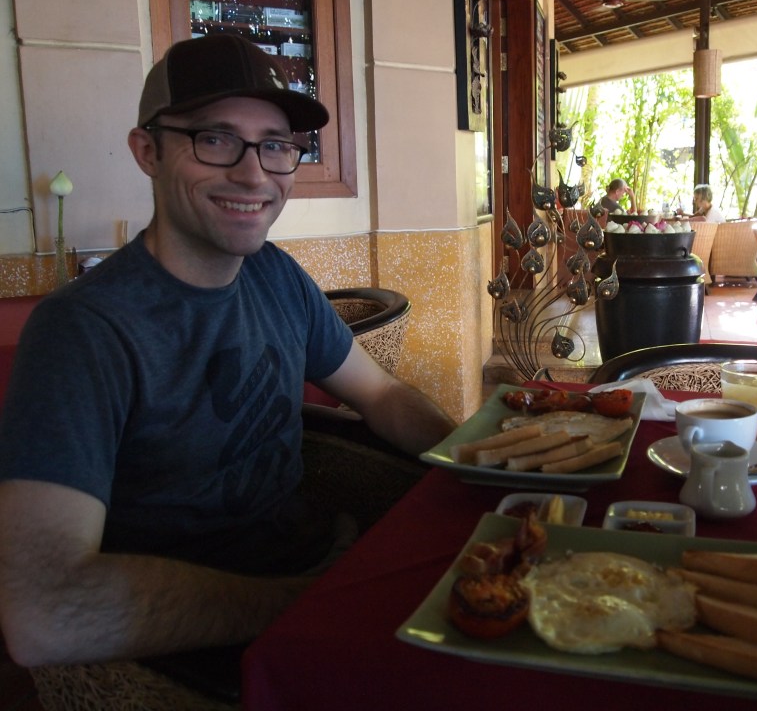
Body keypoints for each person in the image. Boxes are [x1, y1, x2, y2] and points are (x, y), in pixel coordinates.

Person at [0, 35, 456, 668]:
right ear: (147, 152)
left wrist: (471, 460)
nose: (253, 173)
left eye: (275, 145)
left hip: (324, 560)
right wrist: (302, 605)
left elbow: (381, 394)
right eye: (214, 139)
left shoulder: (276, 275)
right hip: (201, 635)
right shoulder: (82, 332)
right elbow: (43, 613)